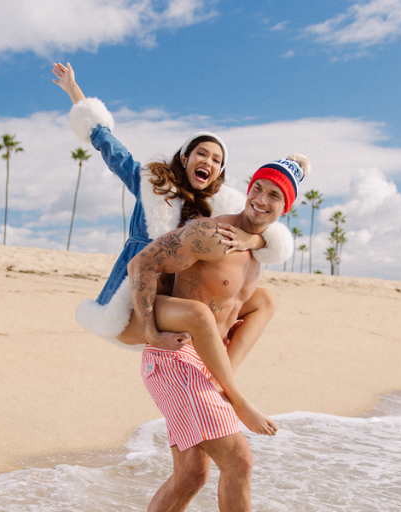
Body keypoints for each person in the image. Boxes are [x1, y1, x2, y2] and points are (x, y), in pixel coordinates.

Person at [51, 62, 292, 356]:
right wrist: (74, 90)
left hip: (182, 301)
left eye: (217, 160)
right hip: (141, 300)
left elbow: (263, 226)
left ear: (219, 172)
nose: (208, 161)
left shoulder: (222, 207)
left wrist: (253, 239)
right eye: (201, 153)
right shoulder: (151, 186)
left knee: (264, 300)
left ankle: (221, 381)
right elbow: (109, 146)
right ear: (184, 157)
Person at [128, 155, 309, 511]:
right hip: (175, 359)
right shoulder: (212, 235)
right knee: (239, 461)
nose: (260, 199)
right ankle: (237, 397)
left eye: (273, 195)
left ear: (284, 208)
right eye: (257, 188)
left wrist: (298, 166)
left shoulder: (258, 247)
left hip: (203, 365)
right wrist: (150, 330)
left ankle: (225, 379)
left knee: (192, 474)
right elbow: (142, 264)